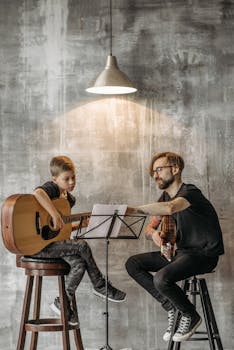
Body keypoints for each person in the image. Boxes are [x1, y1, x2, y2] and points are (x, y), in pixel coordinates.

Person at [125, 151, 224, 342]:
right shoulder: (164, 198)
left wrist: (135, 209)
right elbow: (149, 228)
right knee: (133, 263)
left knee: (161, 278)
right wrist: (154, 234)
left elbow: (170, 208)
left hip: (204, 255)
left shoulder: (190, 193)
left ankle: (190, 315)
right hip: (182, 253)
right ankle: (171, 306)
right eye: (154, 171)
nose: (155, 175)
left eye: (160, 170)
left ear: (176, 169)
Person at [33, 155, 126, 326]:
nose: (71, 182)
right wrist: (53, 213)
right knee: (81, 245)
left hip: (54, 244)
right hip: (39, 245)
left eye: (73, 177)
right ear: (55, 179)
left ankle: (62, 302)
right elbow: (38, 193)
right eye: (66, 179)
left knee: (79, 264)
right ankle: (99, 285)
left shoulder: (69, 200)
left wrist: (80, 225)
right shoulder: (52, 189)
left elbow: (60, 230)